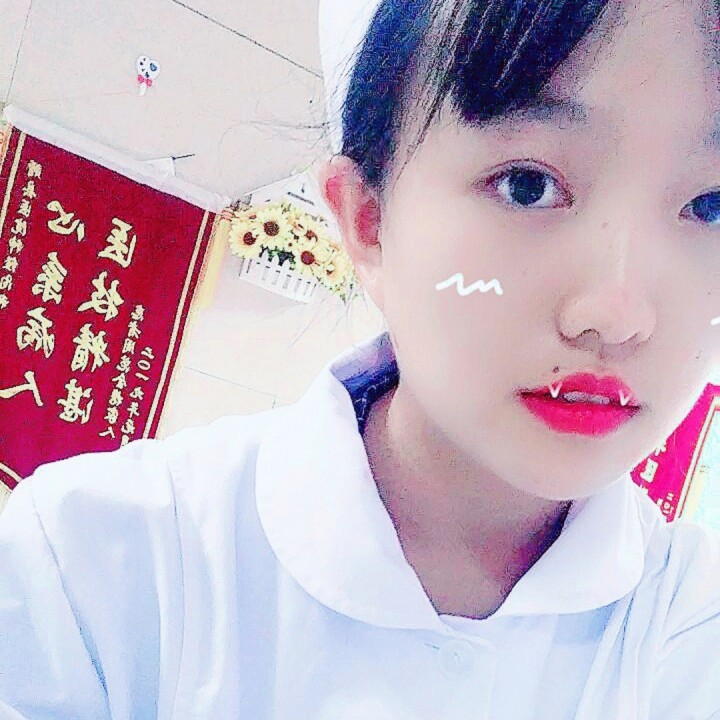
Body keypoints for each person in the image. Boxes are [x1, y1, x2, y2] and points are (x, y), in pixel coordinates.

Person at [1, 0, 720, 717]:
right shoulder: (91, 566)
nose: (618, 317)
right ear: (368, 222)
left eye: (711, 205)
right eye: (526, 185)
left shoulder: (693, 628)